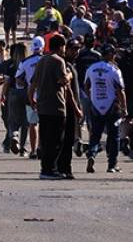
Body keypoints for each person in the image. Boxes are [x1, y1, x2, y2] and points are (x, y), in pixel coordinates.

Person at [30, 33, 71, 180]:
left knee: (46, 139)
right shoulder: (59, 61)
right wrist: (69, 75)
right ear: (61, 46)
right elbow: (62, 80)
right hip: (56, 106)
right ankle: (50, 169)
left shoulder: (42, 60)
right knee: (56, 140)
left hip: (42, 105)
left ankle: (45, 168)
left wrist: (32, 100)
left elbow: (33, 83)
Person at [84, 43, 126, 173]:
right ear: (110, 54)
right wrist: (124, 107)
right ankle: (112, 164)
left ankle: (92, 154)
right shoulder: (114, 70)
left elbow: (86, 85)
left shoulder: (91, 68)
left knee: (95, 135)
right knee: (114, 135)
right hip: (112, 106)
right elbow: (120, 90)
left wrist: (92, 97)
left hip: (96, 105)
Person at [0, 42, 27, 153]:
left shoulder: (8, 64)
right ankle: (22, 148)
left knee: (10, 120)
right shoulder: (27, 62)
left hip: (11, 93)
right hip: (27, 93)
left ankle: (12, 137)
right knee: (25, 122)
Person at [57, 37, 85, 179]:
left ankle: (64, 167)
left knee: (69, 140)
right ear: (66, 49)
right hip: (67, 108)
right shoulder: (65, 65)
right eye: (73, 49)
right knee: (66, 140)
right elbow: (67, 90)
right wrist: (76, 108)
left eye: (78, 49)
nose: (76, 52)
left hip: (73, 107)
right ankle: (64, 168)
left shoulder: (73, 65)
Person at [15, 36, 46, 157]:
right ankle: (41, 148)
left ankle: (33, 150)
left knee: (33, 124)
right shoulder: (47, 60)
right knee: (45, 123)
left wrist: (27, 84)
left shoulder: (25, 62)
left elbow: (18, 78)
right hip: (46, 96)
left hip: (31, 95)